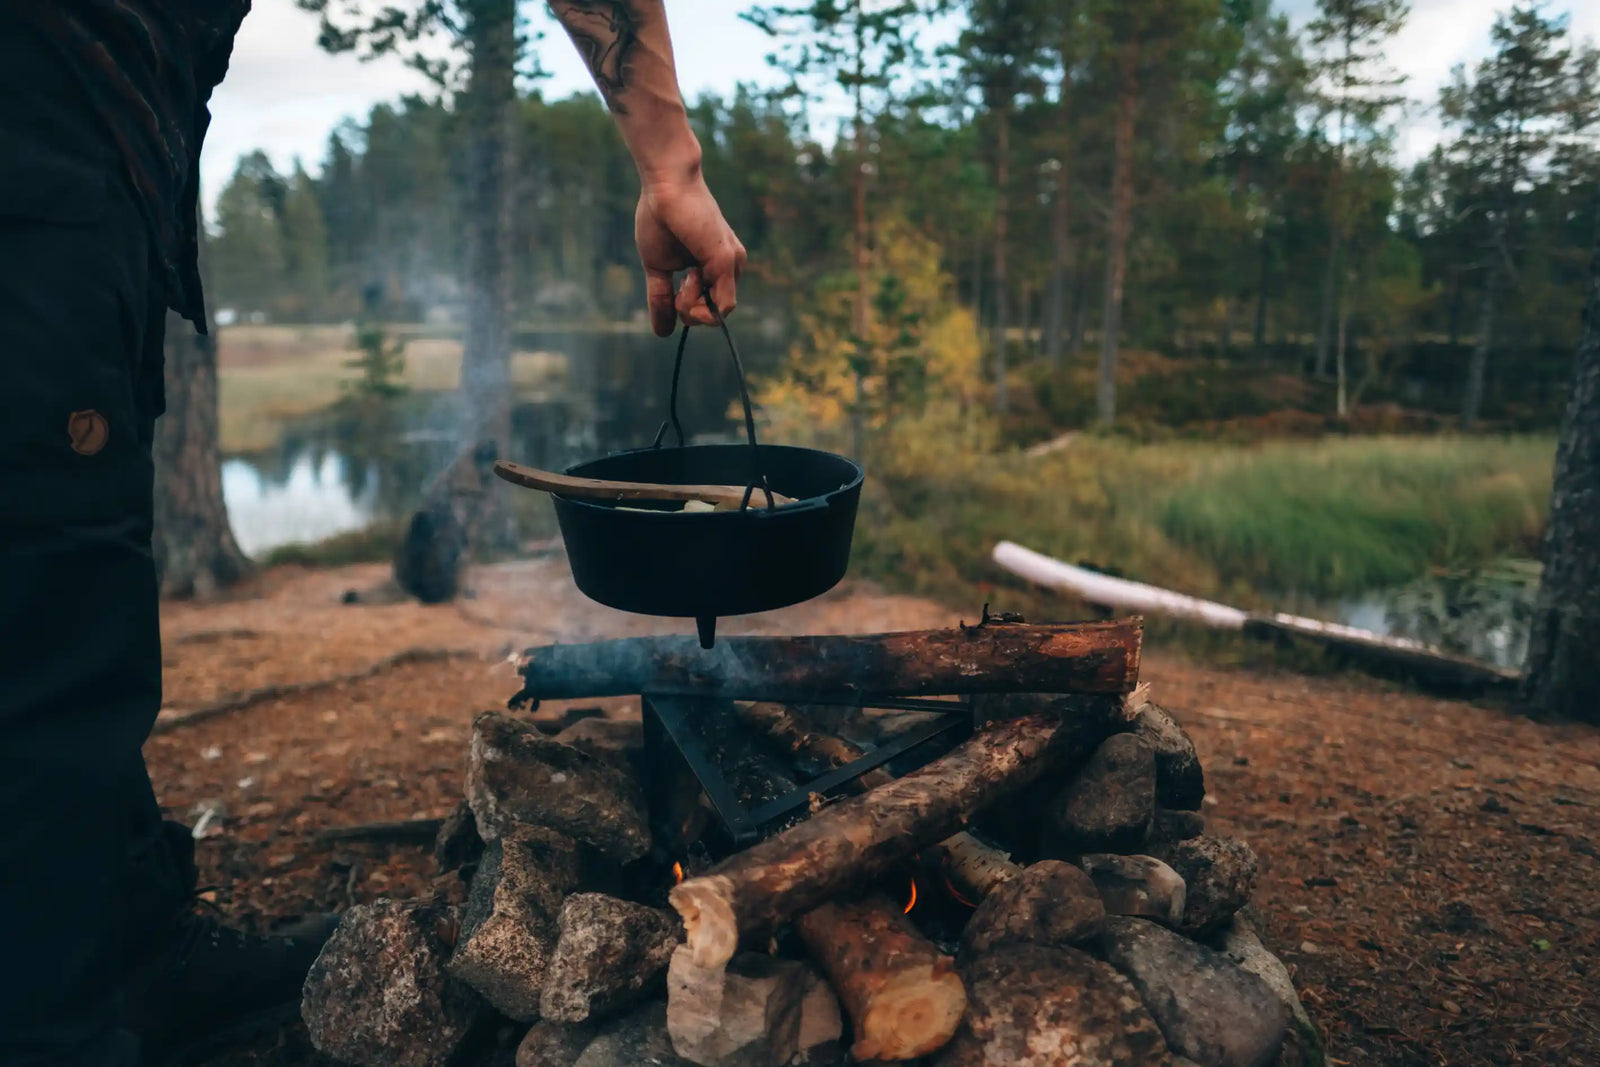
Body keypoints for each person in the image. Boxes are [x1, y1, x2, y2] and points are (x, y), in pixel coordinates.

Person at [0, 2, 744, 1063]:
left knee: (77, 585)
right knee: (39, 611)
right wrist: (670, 166)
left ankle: (127, 946)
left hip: (93, 170)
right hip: (32, 141)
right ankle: (53, 1025)